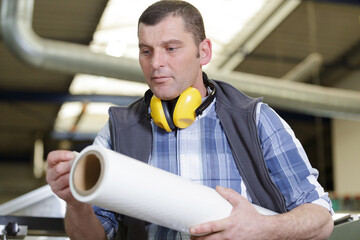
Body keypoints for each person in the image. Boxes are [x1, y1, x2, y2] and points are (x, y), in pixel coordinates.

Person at [46, 1, 334, 239]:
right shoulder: (117, 132)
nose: (156, 63)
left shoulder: (255, 120)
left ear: (203, 51)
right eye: (146, 50)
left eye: (171, 48)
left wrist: (263, 228)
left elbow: (321, 218)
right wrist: (76, 204)